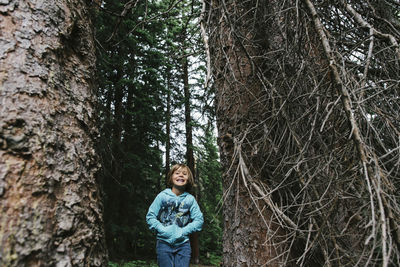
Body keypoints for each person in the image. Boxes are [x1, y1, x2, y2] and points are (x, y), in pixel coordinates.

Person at [146, 163, 204, 267]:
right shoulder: (162, 196)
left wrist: (183, 231)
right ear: (171, 177)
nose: (181, 175)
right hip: (163, 243)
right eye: (177, 173)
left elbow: (199, 220)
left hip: (183, 245)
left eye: (184, 174)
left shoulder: (190, 199)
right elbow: (150, 216)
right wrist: (162, 229)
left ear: (189, 179)